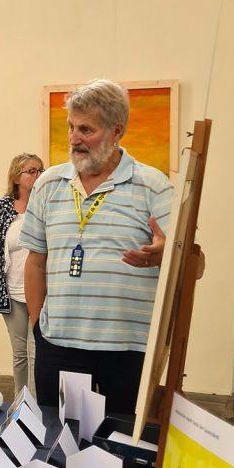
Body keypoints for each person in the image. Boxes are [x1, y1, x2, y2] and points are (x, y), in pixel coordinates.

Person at [20, 79, 173, 414]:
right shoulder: (48, 184)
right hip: (59, 346)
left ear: (115, 131)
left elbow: (193, 263)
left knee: (121, 449)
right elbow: (34, 261)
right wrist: (37, 327)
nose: (74, 139)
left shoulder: (153, 186)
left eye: (86, 129)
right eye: (71, 127)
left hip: (128, 350)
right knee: (62, 443)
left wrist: (167, 254)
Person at [0, 153, 44, 396]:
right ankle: (20, 403)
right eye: (32, 171)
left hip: (42, 294)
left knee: (37, 354)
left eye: (40, 171)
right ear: (16, 176)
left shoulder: (46, 206)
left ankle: (36, 406)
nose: (38, 176)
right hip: (11, 293)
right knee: (20, 353)